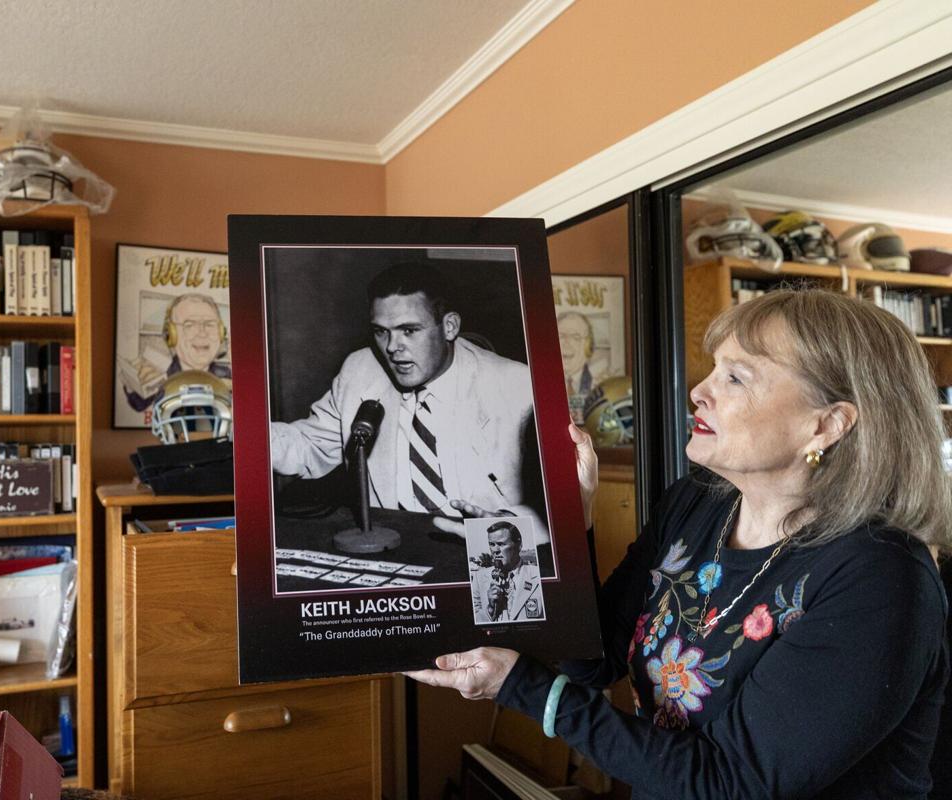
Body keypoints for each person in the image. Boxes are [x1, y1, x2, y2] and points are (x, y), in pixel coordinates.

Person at [407, 288, 951, 799]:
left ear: (827, 425)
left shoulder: (881, 578)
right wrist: (567, 529)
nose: (700, 390)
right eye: (714, 368)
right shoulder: (700, 503)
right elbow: (594, 663)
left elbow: (729, 784)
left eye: (736, 378)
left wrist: (520, 688)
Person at [270, 261, 545, 539]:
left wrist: (510, 524)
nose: (391, 347)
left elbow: (568, 500)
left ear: (449, 326)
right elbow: (309, 445)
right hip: (392, 545)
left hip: (487, 552)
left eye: (409, 331)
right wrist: (251, 433)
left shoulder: (519, 387)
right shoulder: (360, 370)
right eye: (381, 331)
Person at [122, 293, 231, 413]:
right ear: (171, 335)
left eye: (210, 324)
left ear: (221, 332)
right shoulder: (159, 377)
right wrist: (133, 384)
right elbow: (139, 405)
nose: (203, 333)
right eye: (189, 325)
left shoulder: (229, 377)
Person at [471, 520, 545, 624]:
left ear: (519, 545)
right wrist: (490, 608)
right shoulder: (479, 577)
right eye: (492, 544)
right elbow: (473, 619)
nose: (495, 550)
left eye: (501, 544)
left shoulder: (538, 576)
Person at [557, 311, 595, 396]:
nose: (566, 343)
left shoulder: (598, 385)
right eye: (561, 336)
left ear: (588, 345)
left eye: (575, 337)